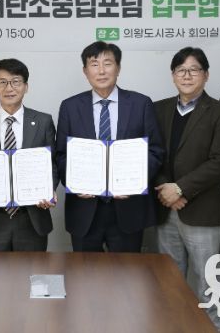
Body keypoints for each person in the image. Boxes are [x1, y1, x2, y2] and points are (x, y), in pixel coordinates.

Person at [153, 47, 220, 330]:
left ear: (206, 75)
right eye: (181, 70)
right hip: (165, 208)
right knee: (169, 282)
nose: (187, 76)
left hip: (202, 210)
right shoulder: (159, 109)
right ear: (173, 75)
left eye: (194, 70)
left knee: (208, 282)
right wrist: (166, 189)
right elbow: (152, 154)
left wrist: (180, 189)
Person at [56, 41, 162, 252]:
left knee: (128, 271)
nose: (101, 71)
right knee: (85, 270)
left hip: (129, 208)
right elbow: (61, 155)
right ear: (85, 71)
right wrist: (76, 183)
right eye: (94, 64)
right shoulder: (70, 106)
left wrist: (133, 183)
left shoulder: (141, 104)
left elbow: (155, 151)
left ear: (118, 68)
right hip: (84, 209)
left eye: (108, 63)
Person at [0, 58, 57, 251]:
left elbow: (52, 163)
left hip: (31, 218)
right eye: (3, 82)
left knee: (32, 270)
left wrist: (50, 190)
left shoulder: (43, 121)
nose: (9, 88)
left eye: (16, 82)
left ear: (26, 86)